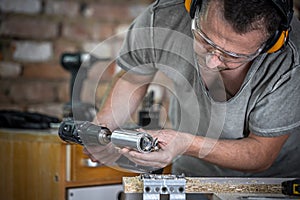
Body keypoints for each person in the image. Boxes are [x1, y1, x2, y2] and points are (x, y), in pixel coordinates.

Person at [86, 0, 300, 178]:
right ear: (194, 7)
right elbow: (133, 79)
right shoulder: (162, 20)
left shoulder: (291, 62)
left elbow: (261, 152)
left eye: (234, 56)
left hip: (272, 185)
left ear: (271, 44)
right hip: (192, 176)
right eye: (205, 40)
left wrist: (185, 143)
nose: (212, 62)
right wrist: (102, 130)